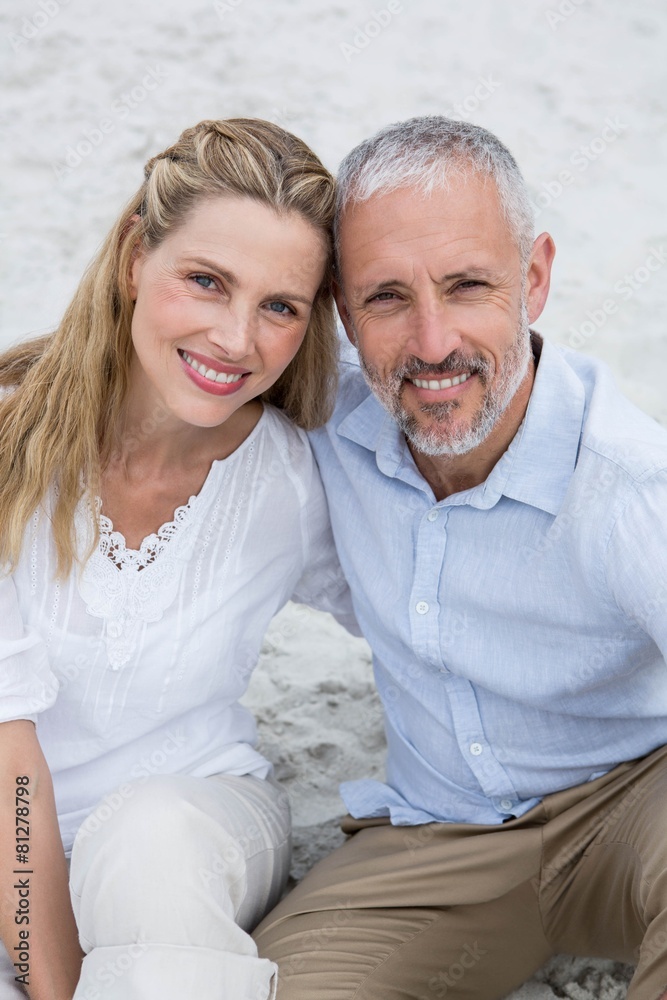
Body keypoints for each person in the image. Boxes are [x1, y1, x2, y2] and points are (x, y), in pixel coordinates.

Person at [253, 116, 667, 1000]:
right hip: (437, 836)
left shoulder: (633, 488)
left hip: (637, 806)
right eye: (386, 298)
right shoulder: (321, 418)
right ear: (342, 314)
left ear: (534, 278)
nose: (432, 342)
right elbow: (151, 373)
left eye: (467, 285)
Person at [0, 118, 354, 1000]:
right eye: (206, 281)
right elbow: (9, 764)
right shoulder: (9, 449)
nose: (235, 339)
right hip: (14, 832)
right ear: (134, 259)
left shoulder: (294, 479)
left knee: (147, 839)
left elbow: (417, 613)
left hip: (197, 822)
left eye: (280, 307)